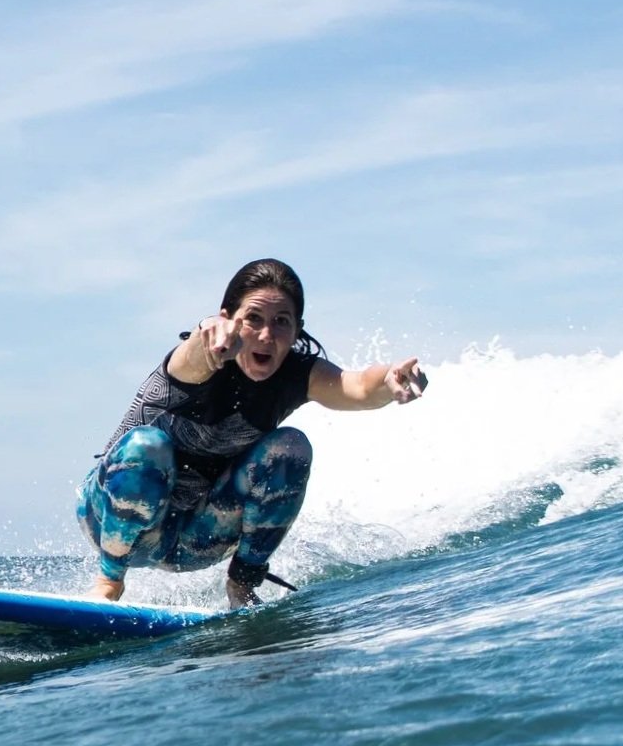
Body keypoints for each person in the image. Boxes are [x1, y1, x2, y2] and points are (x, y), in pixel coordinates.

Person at [78, 258, 428, 608]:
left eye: (281, 322)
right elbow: (193, 355)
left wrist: (387, 380)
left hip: (197, 539)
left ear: (296, 330)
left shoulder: (295, 375)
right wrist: (209, 331)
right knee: (147, 445)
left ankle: (242, 586)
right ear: (229, 318)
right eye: (253, 319)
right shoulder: (199, 358)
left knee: (291, 447)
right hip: (111, 518)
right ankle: (109, 582)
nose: (266, 335)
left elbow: (356, 387)